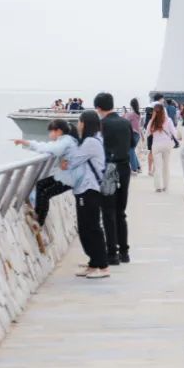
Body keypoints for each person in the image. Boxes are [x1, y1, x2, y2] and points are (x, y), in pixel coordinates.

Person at [65, 110, 110, 279]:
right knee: (86, 227)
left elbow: (73, 160)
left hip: (89, 189)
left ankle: (103, 266)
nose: (78, 125)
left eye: (79, 121)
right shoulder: (94, 139)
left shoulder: (90, 142)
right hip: (87, 189)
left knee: (91, 228)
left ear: (84, 123)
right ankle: (94, 263)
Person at [14, 119, 79, 225]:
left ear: (58, 131)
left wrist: (28, 143)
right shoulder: (65, 140)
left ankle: (39, 222)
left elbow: (51, 148)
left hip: (71, 178)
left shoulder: (66, 141)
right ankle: (37, 214)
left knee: (46, 193)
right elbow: (48, 146)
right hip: (66, 175)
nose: (49, 134)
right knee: (40, 184)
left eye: (51, 131)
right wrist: (26, 142)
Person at [96, 92, 133, 266]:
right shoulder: (125, 122)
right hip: (124, 168)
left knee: (108, 211)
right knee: (120, 211)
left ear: (98, 108)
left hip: (108, 169)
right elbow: (132, 144)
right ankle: (124, 252)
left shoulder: (101, 125)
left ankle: (112, 253)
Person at [148, 103, 178, 193]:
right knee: (166, 166)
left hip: (156, 145)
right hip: (167, 145)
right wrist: (178, 140)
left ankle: (158, 187)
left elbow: (147, 133)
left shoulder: (153, 121)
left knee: (157, 167)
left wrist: (152, 118)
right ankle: (165, 186)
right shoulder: (168, 120)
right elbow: (174, 132)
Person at [124, 99, 143, 175]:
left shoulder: (131, 114)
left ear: (131, 105)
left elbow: (124, 122)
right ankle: (138, 167)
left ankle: (134, 169)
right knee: (132, 151)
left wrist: (125, 114)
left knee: (130, 151)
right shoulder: (138, 114)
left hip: (132, 134)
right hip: (137, 134)